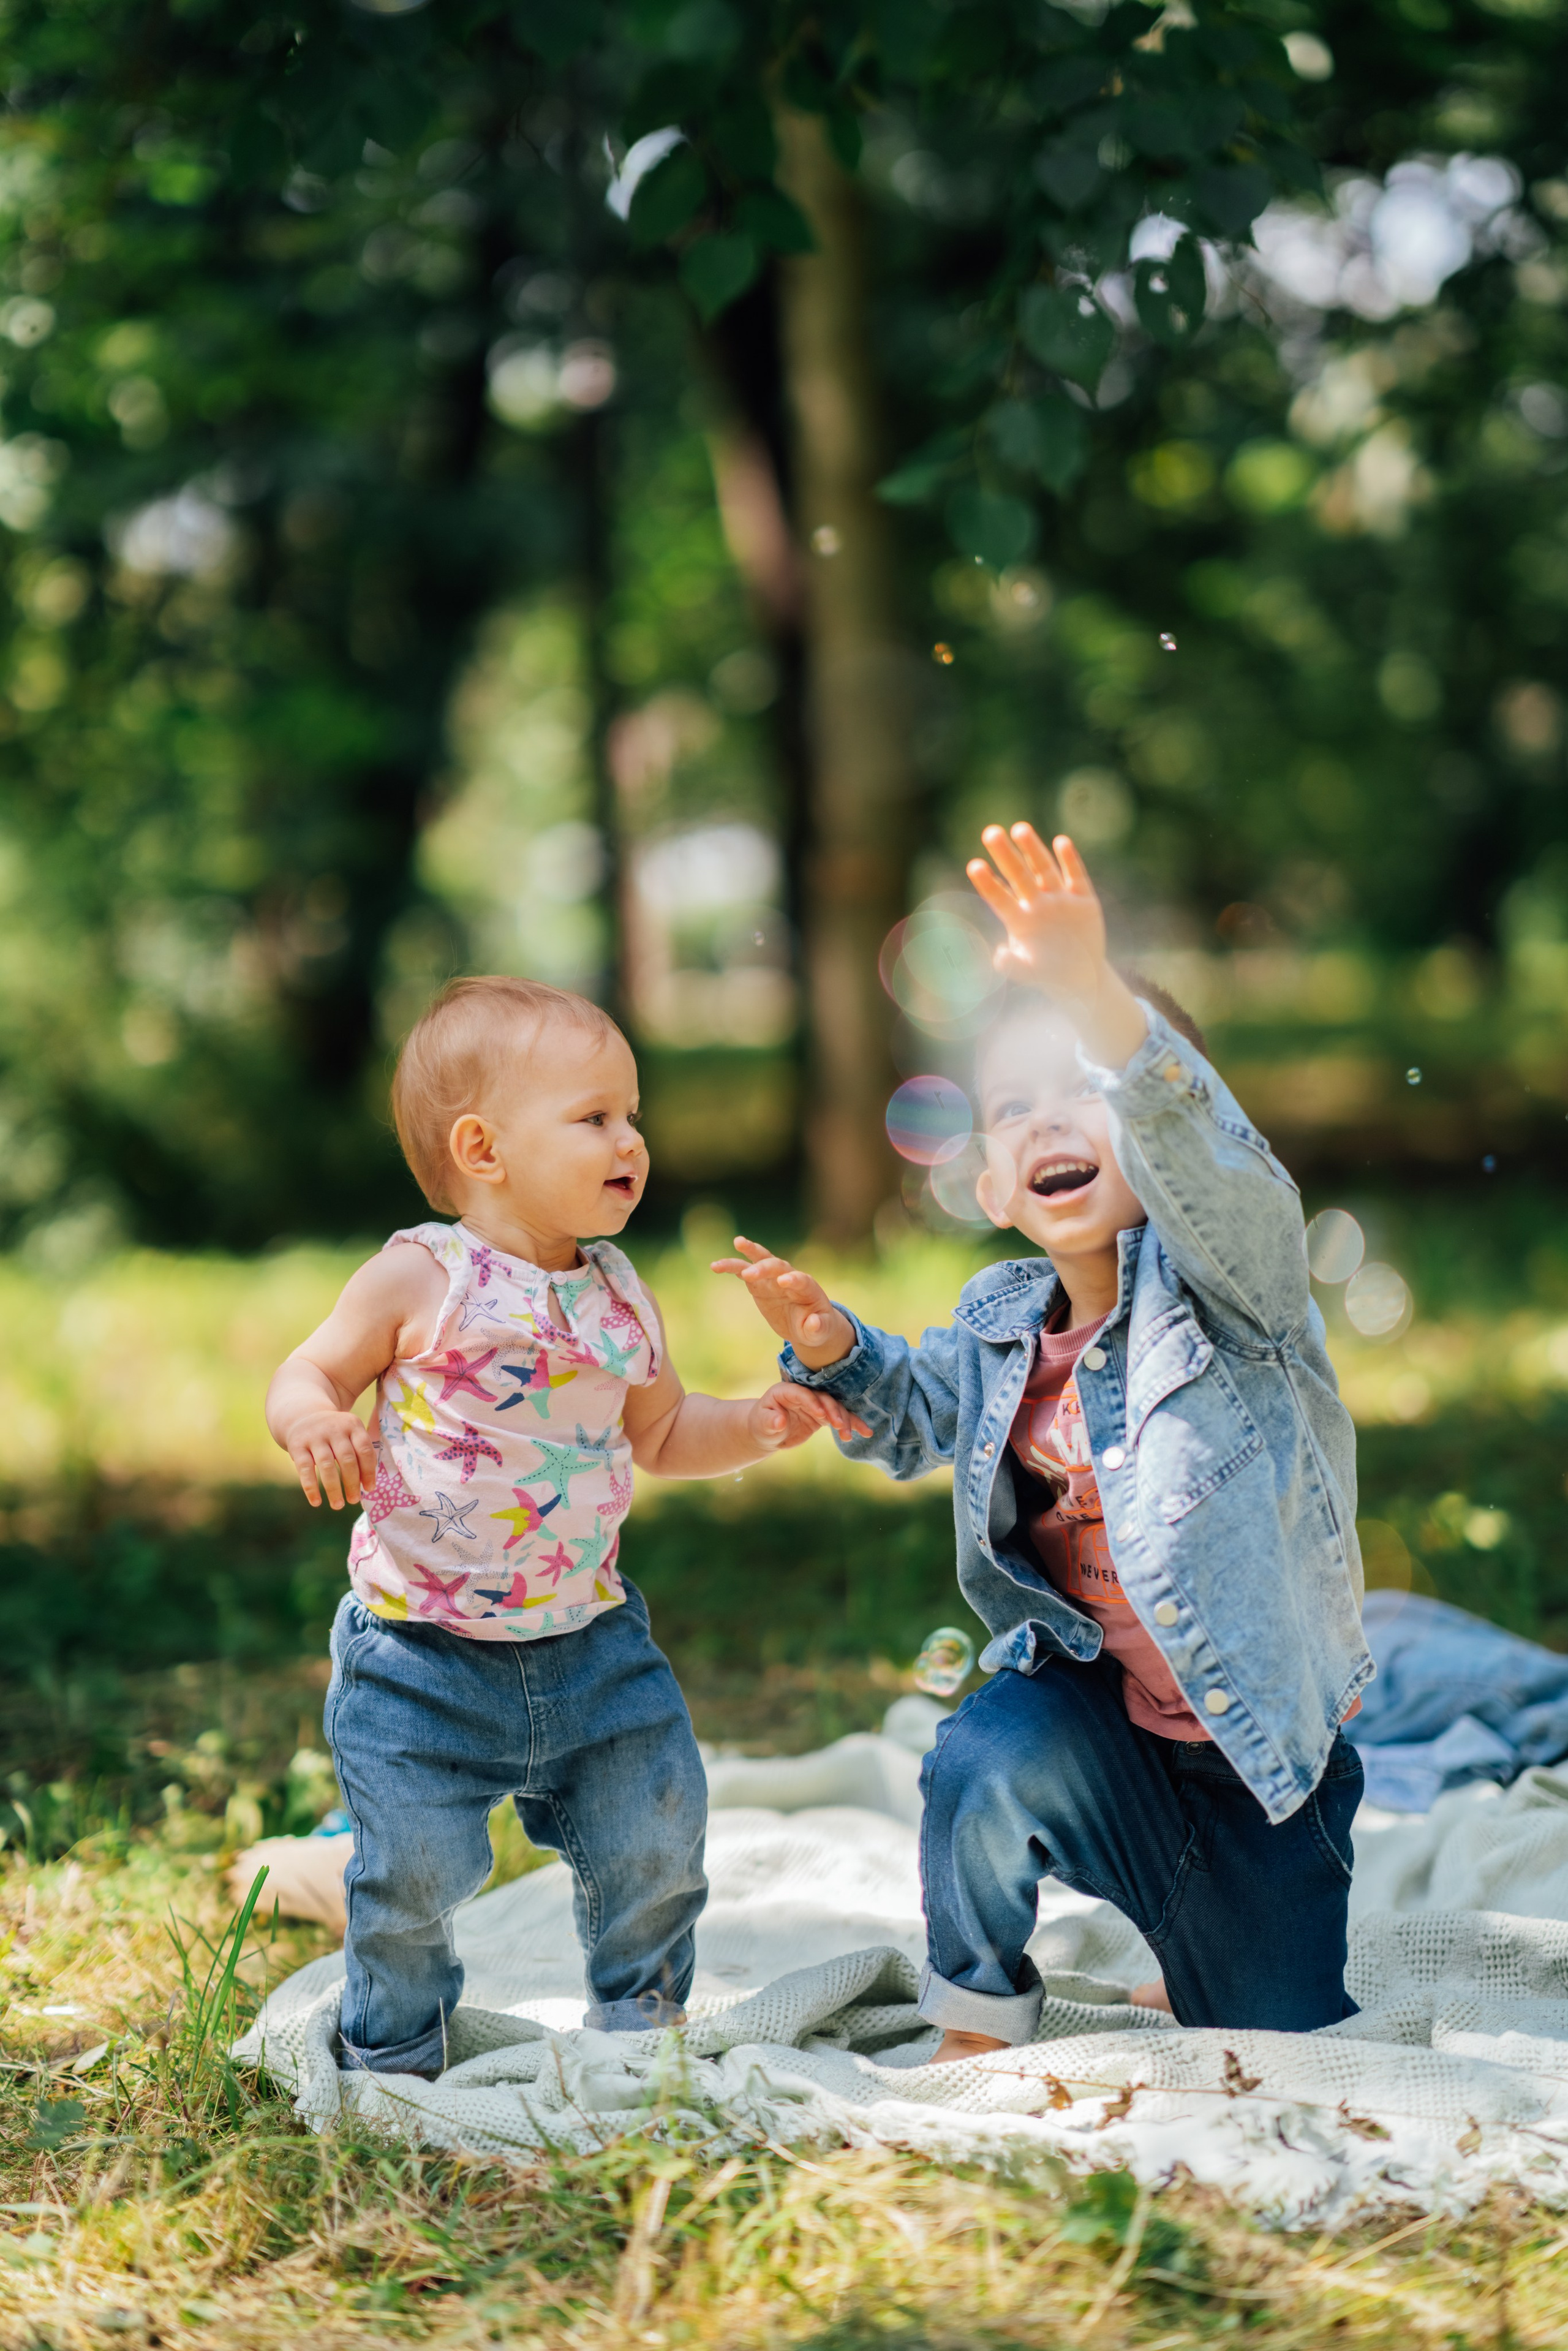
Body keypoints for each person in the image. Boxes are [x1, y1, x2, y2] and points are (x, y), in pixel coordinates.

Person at [717, 823, 1370, 2061]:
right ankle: (975, 2019)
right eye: (1011, 1107)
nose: (1042, 1120)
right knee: (980, 1753)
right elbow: (910, 1410)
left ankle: (1203, 1946)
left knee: (1268, 2030)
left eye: (1082, 1087)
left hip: (1259, 1778)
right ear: (993, 1186)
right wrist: (830, 1345)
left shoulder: (1237, 1296)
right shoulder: (1000, 1323)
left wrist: (1094, 995)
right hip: (1099, 1734)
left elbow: (1218, 1172)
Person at [265, 975, 863, 2077]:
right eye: (594, 1117)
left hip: (592, 1643)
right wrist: (313, 1420)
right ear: (483, 1149)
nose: (630, 1139)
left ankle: (640, 2024)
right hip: (420, 1655)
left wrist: (758, 1423)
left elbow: (664, 1429)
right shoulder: (421, 1275)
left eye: (632, 1114)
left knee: (656, 1836)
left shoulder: (620, 1292)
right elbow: (310, 1370)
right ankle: (396, 2051)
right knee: (412, 1874)